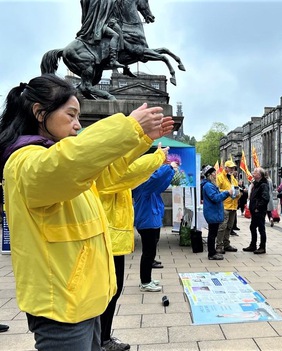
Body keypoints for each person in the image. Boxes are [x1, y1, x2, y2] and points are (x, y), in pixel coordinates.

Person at [0, 74, 172, 350]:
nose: (77, 125)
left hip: (83, 300)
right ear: (39, 113)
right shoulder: (24, 162)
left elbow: (108, 173)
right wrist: (128, 129)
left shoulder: (58, 159)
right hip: (62, 308)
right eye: (71, 115)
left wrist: (140, 140)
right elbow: (70, 160)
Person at [97, 144, 171, 351]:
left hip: (115, 239)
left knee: (114, 289)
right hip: (109, 239)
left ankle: (102, 338)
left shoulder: (119, 174)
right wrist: (160, 159)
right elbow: (148, 179)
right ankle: (101, 340)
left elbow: (148, 177)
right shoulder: (109, 172)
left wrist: (165, 166)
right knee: (110, 291)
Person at [133, 164, 176, 292]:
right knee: (148, 253)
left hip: (151, 222)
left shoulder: (148, 188)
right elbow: (156, 179)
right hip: (147, 224)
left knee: (150, 253)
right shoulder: (143, 186)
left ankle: (147, 279)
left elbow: (161, 183)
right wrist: (169, 167)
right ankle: (145, 282)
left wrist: (171, 173)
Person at [76, 0, 123, 68]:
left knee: (118, 29)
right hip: (99, 25)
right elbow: (102, 15)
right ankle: (113, 60)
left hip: (103, 22)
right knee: (115, 35)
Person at [201, 165, 233, 260]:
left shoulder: (210, 185)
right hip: (212, 213)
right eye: (214, 172)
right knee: (212, 234)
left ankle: (213, 252)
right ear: (209, 175)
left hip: (213, 212)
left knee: (213, 233)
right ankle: (211, 254)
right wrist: (227, 193)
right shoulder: (208, 186)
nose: (216, 174)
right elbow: (215, 198)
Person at [243, 167, 270, 254]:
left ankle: (262, 247)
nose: (253, 173)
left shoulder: (263, 185)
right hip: (254, 211)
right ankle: (253, 245)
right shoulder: (256, 184)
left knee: (261, 228)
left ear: (259, 175)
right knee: (252, 227)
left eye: (255, 172)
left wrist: (258, 207)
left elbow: (265, 198)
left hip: (259, 211)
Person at [215, 160, 240, 253]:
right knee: (222, 226)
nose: (232, 169)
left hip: (233, 205)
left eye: (233, 168)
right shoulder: (220, 177)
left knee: (229, 226)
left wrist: (238, 193)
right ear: (225, 168)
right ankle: (219, 245)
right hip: (224, 205)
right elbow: (217, 190)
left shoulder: (233, 178)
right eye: (230, 167)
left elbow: (237, 189)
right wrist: (227, 191)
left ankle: (226, 244)